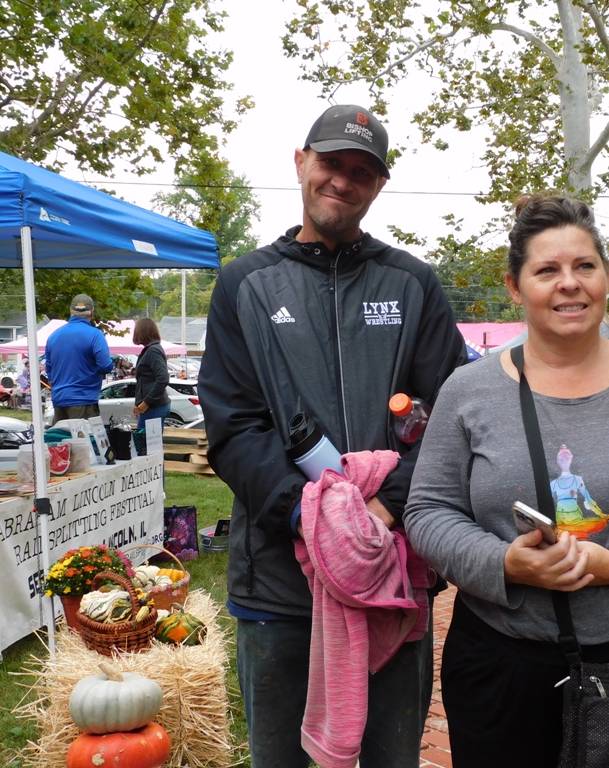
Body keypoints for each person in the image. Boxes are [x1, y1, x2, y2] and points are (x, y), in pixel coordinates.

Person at [403, 195, 609, 768]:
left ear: (606, 276)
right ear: (515, 286)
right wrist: (505, 563)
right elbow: (428, 512)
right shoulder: (467, 390)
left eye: (584, 265)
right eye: (547, 270)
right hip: (497, 666)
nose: (569, 283)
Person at [199, 104, 467, 768]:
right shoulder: (243, 284)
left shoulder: (413, 285)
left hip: (390, 577)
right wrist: (311, 519)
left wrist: (383, 510)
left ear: (379, 186)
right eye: (330, 163)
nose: (342, 181)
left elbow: (454, 417)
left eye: (361, 172)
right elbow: (234, 427)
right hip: (278, 586)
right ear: (301, 162)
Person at [45, 294, 114, 423]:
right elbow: (105, 366)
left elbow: (49, 371)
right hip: (83, 399)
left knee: (62, 435)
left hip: (59, 400)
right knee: (85, 436)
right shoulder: (95, 335)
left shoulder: (53, 336)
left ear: (71, 311)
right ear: (92, 312)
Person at [131, 318, 171, 432]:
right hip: (154, 405)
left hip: (154, 407)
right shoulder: (151, 349)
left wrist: (146, 402)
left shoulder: (153, 351)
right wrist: (138, 402)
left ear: (142, 332)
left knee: (144, 442)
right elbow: (145, 381)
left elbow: (163, 378)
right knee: (150, 442)